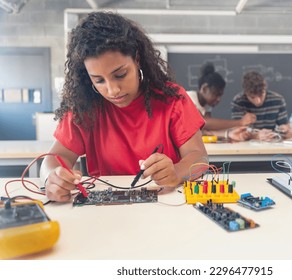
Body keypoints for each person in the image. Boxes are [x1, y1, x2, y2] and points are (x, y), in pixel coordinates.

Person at [40, 11, 208, 202]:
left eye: (120, 75)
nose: (113, 90)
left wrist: (177, 172)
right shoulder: (84, 108)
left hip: (167, 205)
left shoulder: (173, 99)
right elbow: (53, 160)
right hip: (108, 212)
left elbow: (199, 157)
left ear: (137, 58)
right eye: (99, 80)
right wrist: (51, 178)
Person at [186, 62, 256, 141]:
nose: (219, 99)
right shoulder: (188, 98)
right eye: (216, 94)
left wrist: (229, 134)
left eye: (220, 96)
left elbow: (206, 130)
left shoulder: (206, 105)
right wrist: (240, 122)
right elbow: (205, 123)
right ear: (204, 88)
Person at [231, 71, 292, 141]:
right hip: (247, 147)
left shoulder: (277, 100)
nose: (258, 101)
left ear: (265, 88)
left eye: (261, 95)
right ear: (245, 93)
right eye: (252, 97)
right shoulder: (239, 101)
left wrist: (285, 130)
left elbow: (288, 132)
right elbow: (237, 132)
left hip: (270, 144)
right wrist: (256, 136)